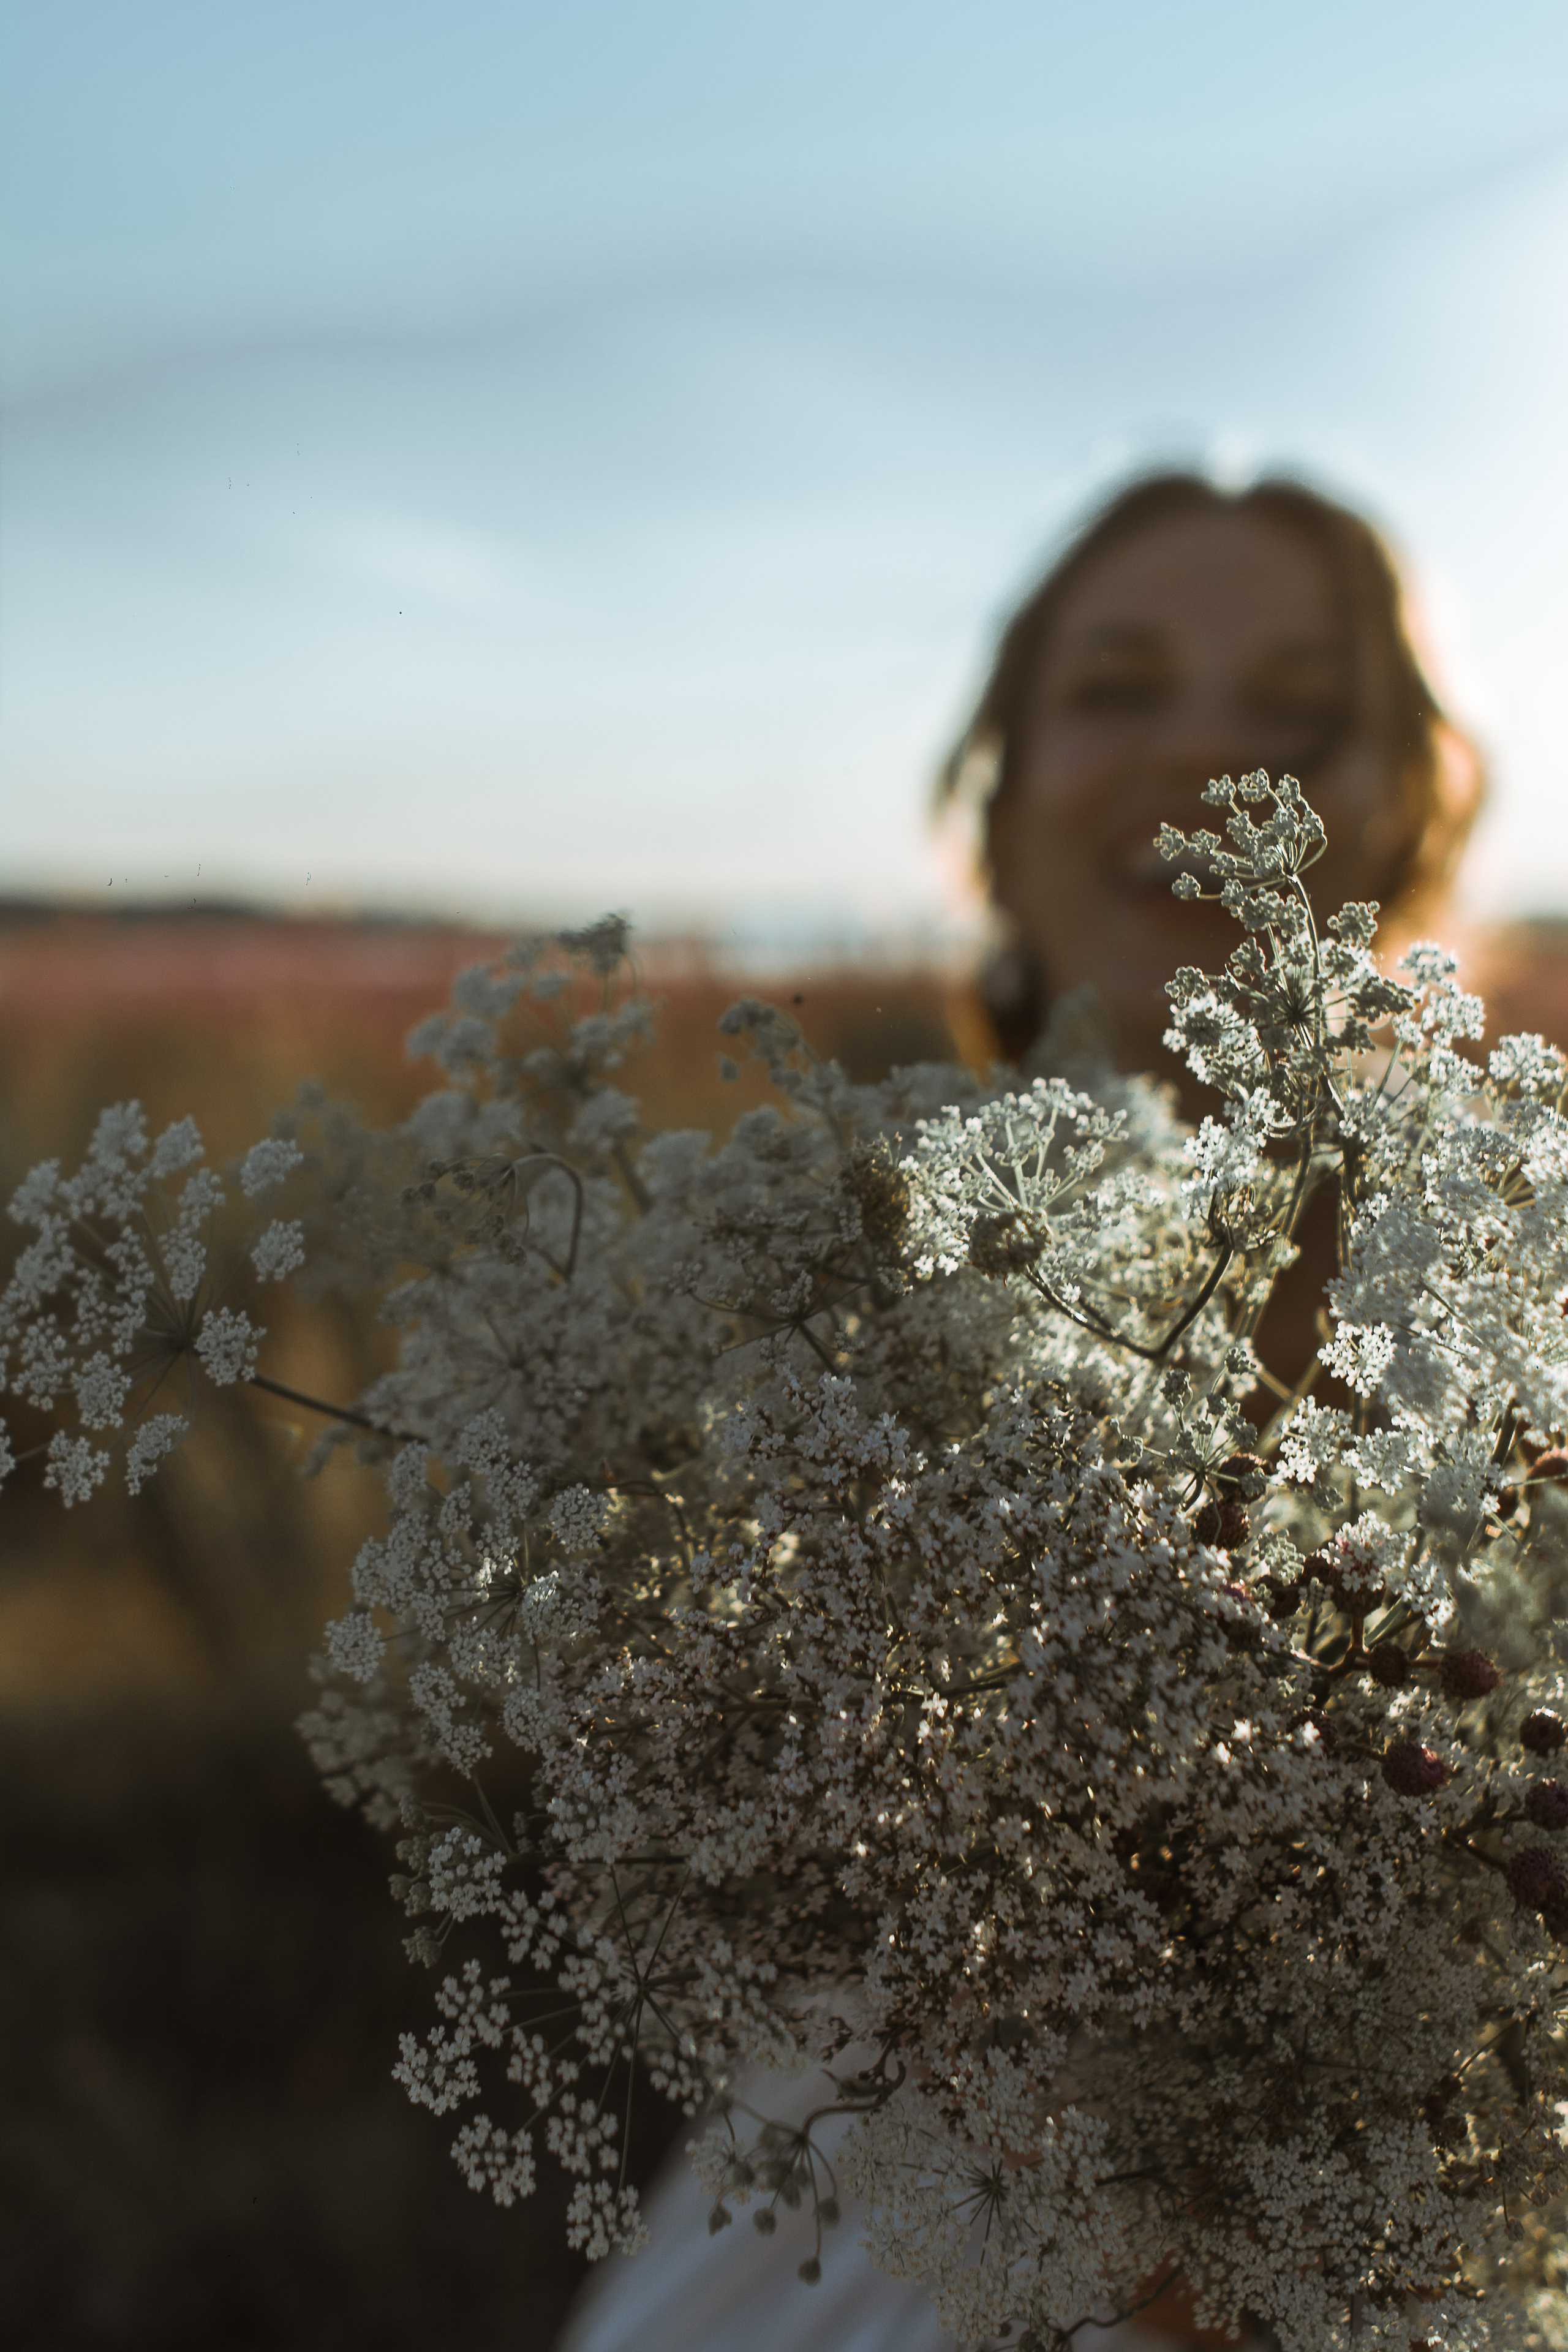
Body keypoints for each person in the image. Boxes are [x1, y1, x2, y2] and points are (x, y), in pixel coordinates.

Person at [556, 469, 1491, 2352]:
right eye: (1119, 689)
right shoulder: (826, 1292)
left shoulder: (1501, 1316)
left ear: (1406, 806)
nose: (1206, 751)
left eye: (1299, 707)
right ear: (996, 814)